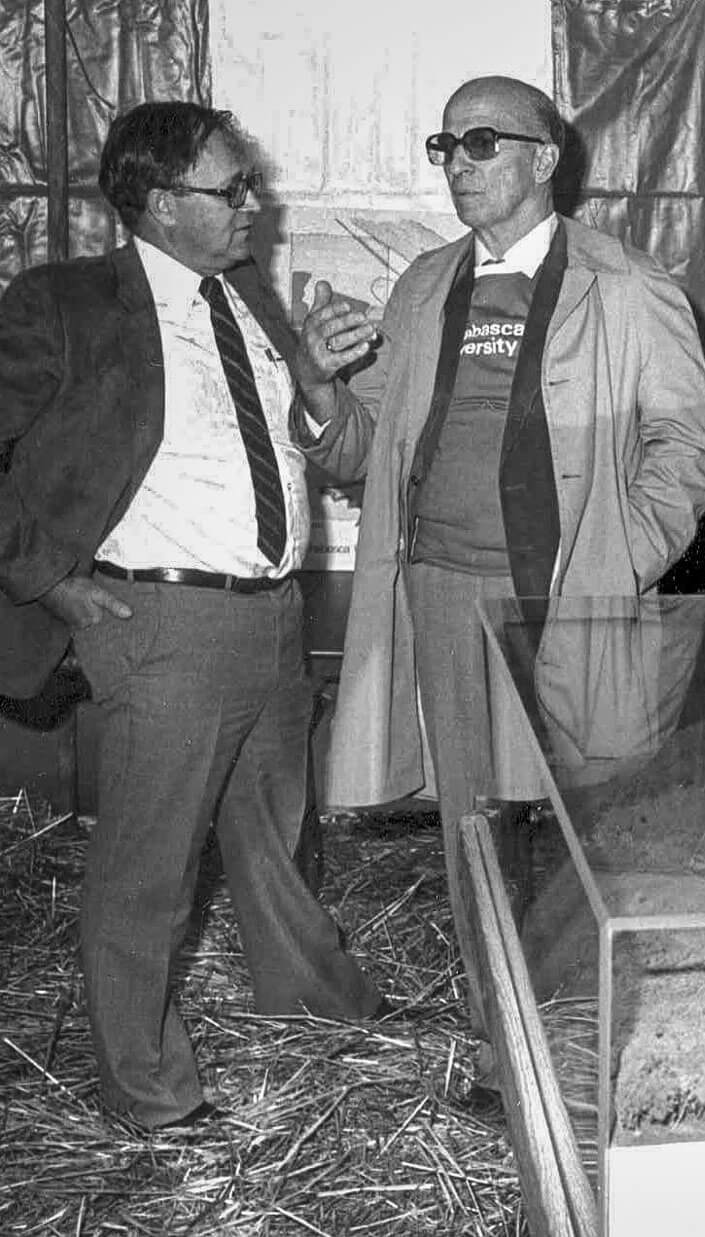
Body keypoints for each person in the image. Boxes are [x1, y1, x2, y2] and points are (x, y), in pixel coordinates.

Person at [293, 77, 705, 1050]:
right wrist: (317, 382)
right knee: (476, 824)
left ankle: (585, 1027)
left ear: (546, 158)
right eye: (446, 145)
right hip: (440, 593)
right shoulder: (422, 287)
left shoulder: (627, 287)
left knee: (578, 816)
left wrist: (616, 558)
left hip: (565, 597)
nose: (460, 164)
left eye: (482, 142)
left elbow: (691, 451)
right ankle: (503, 1036)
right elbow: (361, 450)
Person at [0, 101, 383, 1131]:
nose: (255, 203)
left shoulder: (251, 299)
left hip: (273, 618)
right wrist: (47, 580)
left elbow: (328, 453)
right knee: (149, 874)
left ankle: (316, 1013)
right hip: (160, 624)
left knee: (278, 841)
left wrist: (314, 380)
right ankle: (149, 1094)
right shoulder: (66, 302)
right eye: (233, 188)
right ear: (164, 205)